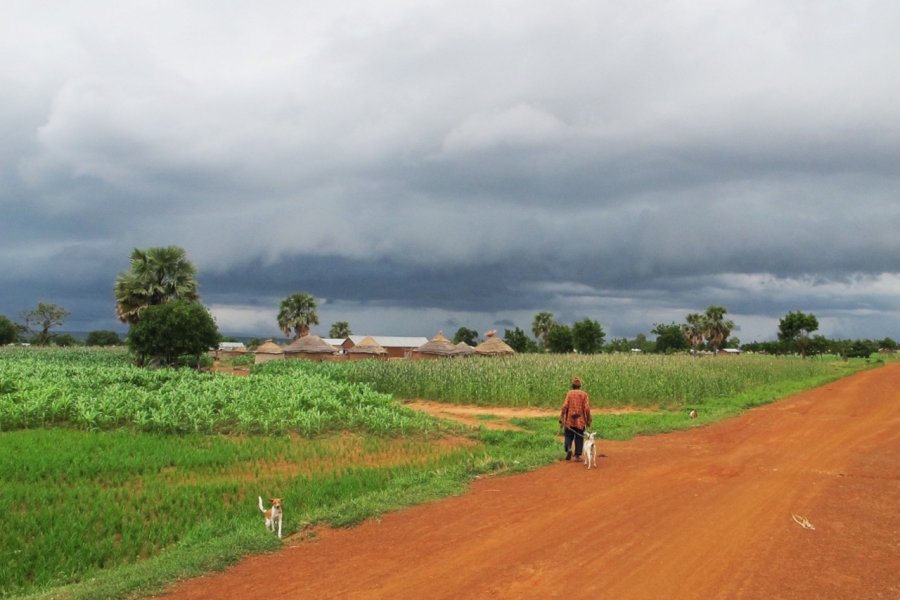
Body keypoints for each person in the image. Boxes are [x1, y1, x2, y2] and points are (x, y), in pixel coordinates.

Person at [559, 376, 592, 461]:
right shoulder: (584, 394)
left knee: (568, 436)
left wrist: (561, 417)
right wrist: (588, 420)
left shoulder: (569, 393)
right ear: (580, 386)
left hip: (569, 420)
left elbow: (565, 406)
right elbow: (587, 408)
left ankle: (569, 448)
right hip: (580, 421)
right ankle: (577, 455)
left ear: (572, 386)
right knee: (579, 437)